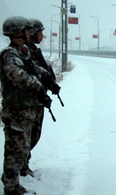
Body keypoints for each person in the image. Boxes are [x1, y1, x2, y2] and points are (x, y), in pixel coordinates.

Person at [0, 16, 51, 195]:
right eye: (26, 30)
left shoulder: (22, 52)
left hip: (24, 109)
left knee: (21, 148)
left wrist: (47, 79)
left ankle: (12, 183)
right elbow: (18, 75)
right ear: (18, 32)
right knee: (15, 150)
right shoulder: (10, 54)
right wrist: (37, 85)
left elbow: (34, 69)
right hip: (16, 111)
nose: (30, 33)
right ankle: (11, 189)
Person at [20, 18, 60, 178]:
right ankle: (20, 169)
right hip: (29, 101)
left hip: (36, 99)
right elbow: (29, 76)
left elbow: (41, 71)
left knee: (32, 135)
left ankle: (24, 165)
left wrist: (50, 84)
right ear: (30, 33)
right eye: (40, 32)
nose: (42, 36)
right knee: (26, 137)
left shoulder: (33, 51)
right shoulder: (24, 51)